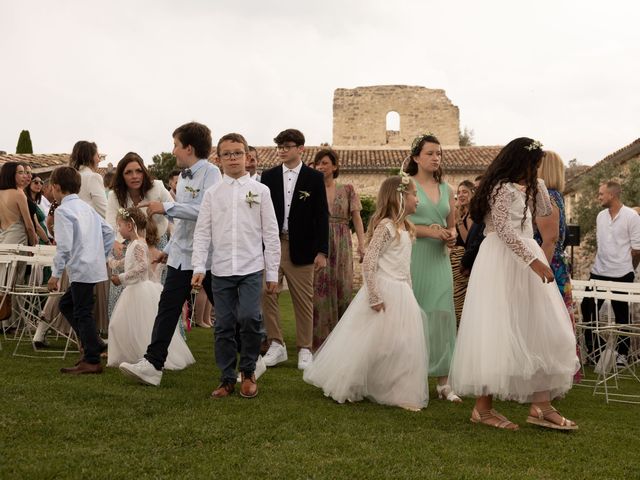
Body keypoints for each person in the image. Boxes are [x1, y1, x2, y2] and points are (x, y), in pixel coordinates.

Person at [449, 137, 579, 431]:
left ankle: (541, 406)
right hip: (502, 260)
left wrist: (539, 184)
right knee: (498, 329)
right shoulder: (499, 189)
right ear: (520, 163)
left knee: (540, 325)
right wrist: (533, 262)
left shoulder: (530, 187)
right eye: (533, 165)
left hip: (525, 255)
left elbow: (545, 212)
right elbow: (505, 232)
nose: (535, 170)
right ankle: (482, 408)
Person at [304, 175, 429, 411]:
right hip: (383, 290)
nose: (418, 200)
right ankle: (348, 382)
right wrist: (374, 295)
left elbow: (405, 266)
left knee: (402, 344)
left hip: (402, 291)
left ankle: (398, 390)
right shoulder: (386, 226)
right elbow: (369, 262)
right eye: (414, 194)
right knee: (369, 343)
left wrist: (409, 291)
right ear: (400, 197)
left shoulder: (407, 228)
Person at [119, 121, 221, 386]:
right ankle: (153, 365)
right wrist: (167, 251)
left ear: (188, 147)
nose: (173, 150)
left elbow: (205, 212)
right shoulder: (185, 175)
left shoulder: (212, 174)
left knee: (226, 309)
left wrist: (166, 208)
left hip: (204, 258)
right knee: (167, 309)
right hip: (180, 256)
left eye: (175, 145)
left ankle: (250, 359)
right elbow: (186, 226)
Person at [192, 133, 280, 398]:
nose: (233, 158)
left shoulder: (261, 191)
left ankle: (249, 370)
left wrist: (272, 271)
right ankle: (227, 377)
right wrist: (198, 267)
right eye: (227, 154)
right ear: (218, 159)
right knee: (224, 325)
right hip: (220, 270)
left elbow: (270, 234)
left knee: (251, 318)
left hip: (251, 267)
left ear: (247, 157)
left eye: (237, 153)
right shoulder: (211, 194)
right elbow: (202, 232)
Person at [260, 129, 329, 370]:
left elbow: (322, 216)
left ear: (300, 148)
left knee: (303, 299)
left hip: (303, 248)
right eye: (279, 145)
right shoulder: (267, 177)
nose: (282, 149)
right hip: (272, 245)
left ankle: (304, 348)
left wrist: (322, 251)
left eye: (287, 146)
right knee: (266, 293)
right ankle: (276, 344)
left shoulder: (314, 177)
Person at [403, 133, 460, 402]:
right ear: (416, 157)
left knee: (441, 316)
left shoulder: (448, 189)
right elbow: (397, 221)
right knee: (412, 316)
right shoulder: (405, 185)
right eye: (430, 153)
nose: (436, 158)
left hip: (439, 261)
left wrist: (450, 235)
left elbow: (453, 226)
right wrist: (429, 231)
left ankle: (443, 381)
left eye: (439, 153)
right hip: (412, 257)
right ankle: (408, 375)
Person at [107, 207, 194, 370]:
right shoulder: (134, 244)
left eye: (120, 225)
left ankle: (142, 356)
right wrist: (112, 263)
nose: (118, 229)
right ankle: (133, 355)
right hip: (133, 290)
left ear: (129, 226)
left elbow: (142, 267)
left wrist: (121, 278)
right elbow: (127, 261)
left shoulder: (139, 244)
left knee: (137, 325)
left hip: (139, 290)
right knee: (126, 325)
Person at [47, 166, 115, 374]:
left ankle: (92, 358)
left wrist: (55, 274)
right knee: (66, 304)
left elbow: (64, 246)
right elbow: (109, 232)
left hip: (81, 268)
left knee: (81, 311)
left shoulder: (64, 210)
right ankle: (94, 342)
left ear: (57, 187)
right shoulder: (87, 208)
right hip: (92, 267)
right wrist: (99, 255)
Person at [580, 180, 640, 366]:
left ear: (611, 195)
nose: (598, 197)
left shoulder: (632, 216)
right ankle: (595, 350)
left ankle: (622, 355)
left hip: (622, 273)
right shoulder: (600, 216)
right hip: (599, 271)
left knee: (621, 314)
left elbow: (637, 249)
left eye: (601, 194)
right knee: (587, 307)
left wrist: (628, 268)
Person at [106, 153, 174, 316]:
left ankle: (157, 335)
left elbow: (175, 212)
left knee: (156, 291)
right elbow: (110, 223)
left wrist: (162, 208)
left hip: (157, 243)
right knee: (124, 291)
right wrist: (116, 242)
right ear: (121, 176)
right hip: (129, 245)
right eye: (128, 172)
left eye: (138, 171)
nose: (135, 176)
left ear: (144, 171)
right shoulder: (115, 195)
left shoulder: (157, 186)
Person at [312, 148, 366, 349]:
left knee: (342, 288)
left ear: (334, 166)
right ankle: (320, 340)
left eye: (325, 163)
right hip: (319, 242)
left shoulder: (348, 189)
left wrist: (362, 244)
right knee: (320, 290)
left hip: (342, 242)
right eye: (318, 163)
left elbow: (357, 219)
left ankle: (343, 341)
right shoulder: (312, 189)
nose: (321, 166)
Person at [533, 151, 580, 381]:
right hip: (559, 263)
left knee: (548, 318)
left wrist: (539, 268)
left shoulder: (548, 197)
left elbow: (549, 239)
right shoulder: (557, 196)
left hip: (549, 263)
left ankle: (548, 374)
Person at [69, 140, 109, 334]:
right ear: (89, 155)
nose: (99, 157)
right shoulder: (92, 177)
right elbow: (104, 208)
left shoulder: (73, 176)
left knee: (68, 287)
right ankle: (97, 331)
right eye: (97, 153)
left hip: (73, 237)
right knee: (86, 288)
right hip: (90, 238)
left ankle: (42, 328)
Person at [0, 162, 38, 332]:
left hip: (4, 237)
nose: (24, 176)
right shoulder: (19, 194)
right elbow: (29, 225)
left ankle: (4, 321)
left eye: (25, 172)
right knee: (17, 282)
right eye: (20, 172)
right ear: (11, 175)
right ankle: (15, 322)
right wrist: (34, 244)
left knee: (4, 281)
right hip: (18, 238)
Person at [450, 180, 475, 323]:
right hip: (456, 259)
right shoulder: (464, 213)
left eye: (465, 192)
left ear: (472, 193)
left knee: (459, 301)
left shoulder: (471, 215)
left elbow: (467, 240)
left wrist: (458, 220)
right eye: (459, 192)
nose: (460, 195)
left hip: (463, 262)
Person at [24, 172, 51, 245]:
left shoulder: (36, 201)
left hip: (42, 238)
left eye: (41, 183)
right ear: (29, 183)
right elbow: (36, 225)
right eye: (36, 182)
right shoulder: (26, 200)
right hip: (37, 240)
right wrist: (47, 241)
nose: (39, 184)